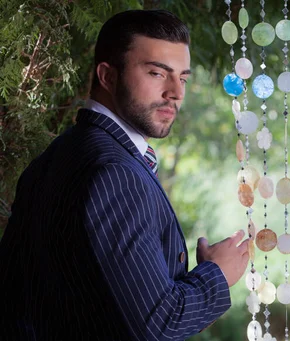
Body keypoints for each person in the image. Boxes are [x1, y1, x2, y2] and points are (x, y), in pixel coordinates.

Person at [0, 9, 249, 340]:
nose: (176, 92)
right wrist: (218, 274)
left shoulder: (64, 152)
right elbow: (158, 327)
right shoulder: (114, 173)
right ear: (107, 76)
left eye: (183, 77)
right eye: (157, 73)